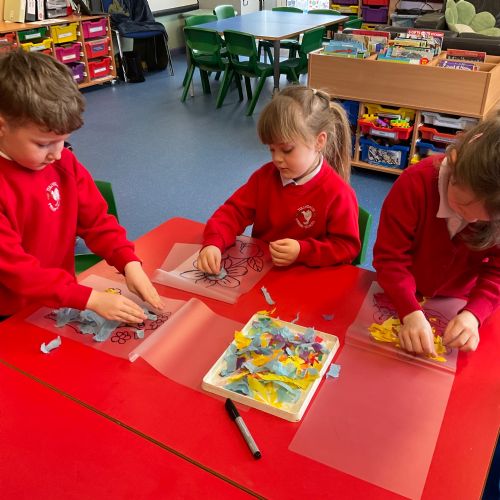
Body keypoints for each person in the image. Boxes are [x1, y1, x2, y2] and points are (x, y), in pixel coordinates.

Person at [0, 50, 162, 323]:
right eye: (43, 144)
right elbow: (18, 272)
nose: (57, 154)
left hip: (55, 298)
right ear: (2, 127)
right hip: (9, 309)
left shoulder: (64, 163)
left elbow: (96, 222)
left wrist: (128, 262)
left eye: (63, 140)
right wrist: (90, 299)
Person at [197, 86, 360, 274]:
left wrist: (302, 251)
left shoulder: (338, 193)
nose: (277, 159)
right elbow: (232, 213)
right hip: (262, 274)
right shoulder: (264, 178)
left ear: (319, 141)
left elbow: (346, 248)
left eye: (287, 150)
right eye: (272, 149)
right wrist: (213, 243)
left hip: (306, 279)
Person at [373, 113, 500, 355]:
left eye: (482, 219)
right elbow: (390, 258)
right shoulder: (414, 184)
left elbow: (497, 271)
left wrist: (474, 314)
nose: (470, 219)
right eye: (461, 206)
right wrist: (409, 310)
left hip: (458, 300)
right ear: (454, 162)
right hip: (403, 291)